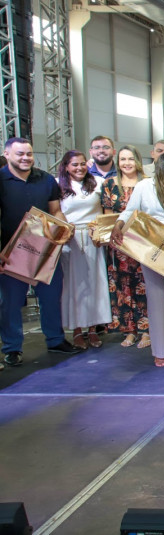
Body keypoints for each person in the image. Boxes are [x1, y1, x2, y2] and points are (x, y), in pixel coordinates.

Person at [110, 152, 164, 367]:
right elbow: (129, 212)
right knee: (156, 298)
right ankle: (160, 350)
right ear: (159, 167)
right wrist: (118, 226)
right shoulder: (144, 187)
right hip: (151, 249)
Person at [0, 138, 80, 367]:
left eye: (29, 154)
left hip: (46, 252)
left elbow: (55, 211)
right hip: (10, 254)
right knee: (11, 303)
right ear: (7, 154)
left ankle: (55, 339)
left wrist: (65, 228)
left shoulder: (45, 179)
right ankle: (12, 347)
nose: (25, 158)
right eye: (20, 154)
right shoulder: (0, 180)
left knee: (51, 298)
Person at [57, 150, 112, 349]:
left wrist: (100, 233)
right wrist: (66, 231)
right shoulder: (58, 185)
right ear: (65, 166)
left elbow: (106, 211)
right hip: (70, 240)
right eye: (74, 164)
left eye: (82, 164)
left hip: (93, 239)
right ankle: (76, 330)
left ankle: (93, 329)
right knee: (73, 285)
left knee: (96, 283)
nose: (79, 168)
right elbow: (55, 211)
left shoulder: (97, 182)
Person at [101, 145, 150, 348]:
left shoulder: (148, 183)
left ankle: (147, 330)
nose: (127, 163)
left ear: (137, 161)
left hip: (142, 243)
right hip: (119, 244)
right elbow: (106, 216)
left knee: (144, 285)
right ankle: (129, 330)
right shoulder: (109, 184)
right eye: (123, 159)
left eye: (131, 159)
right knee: (122, 287)